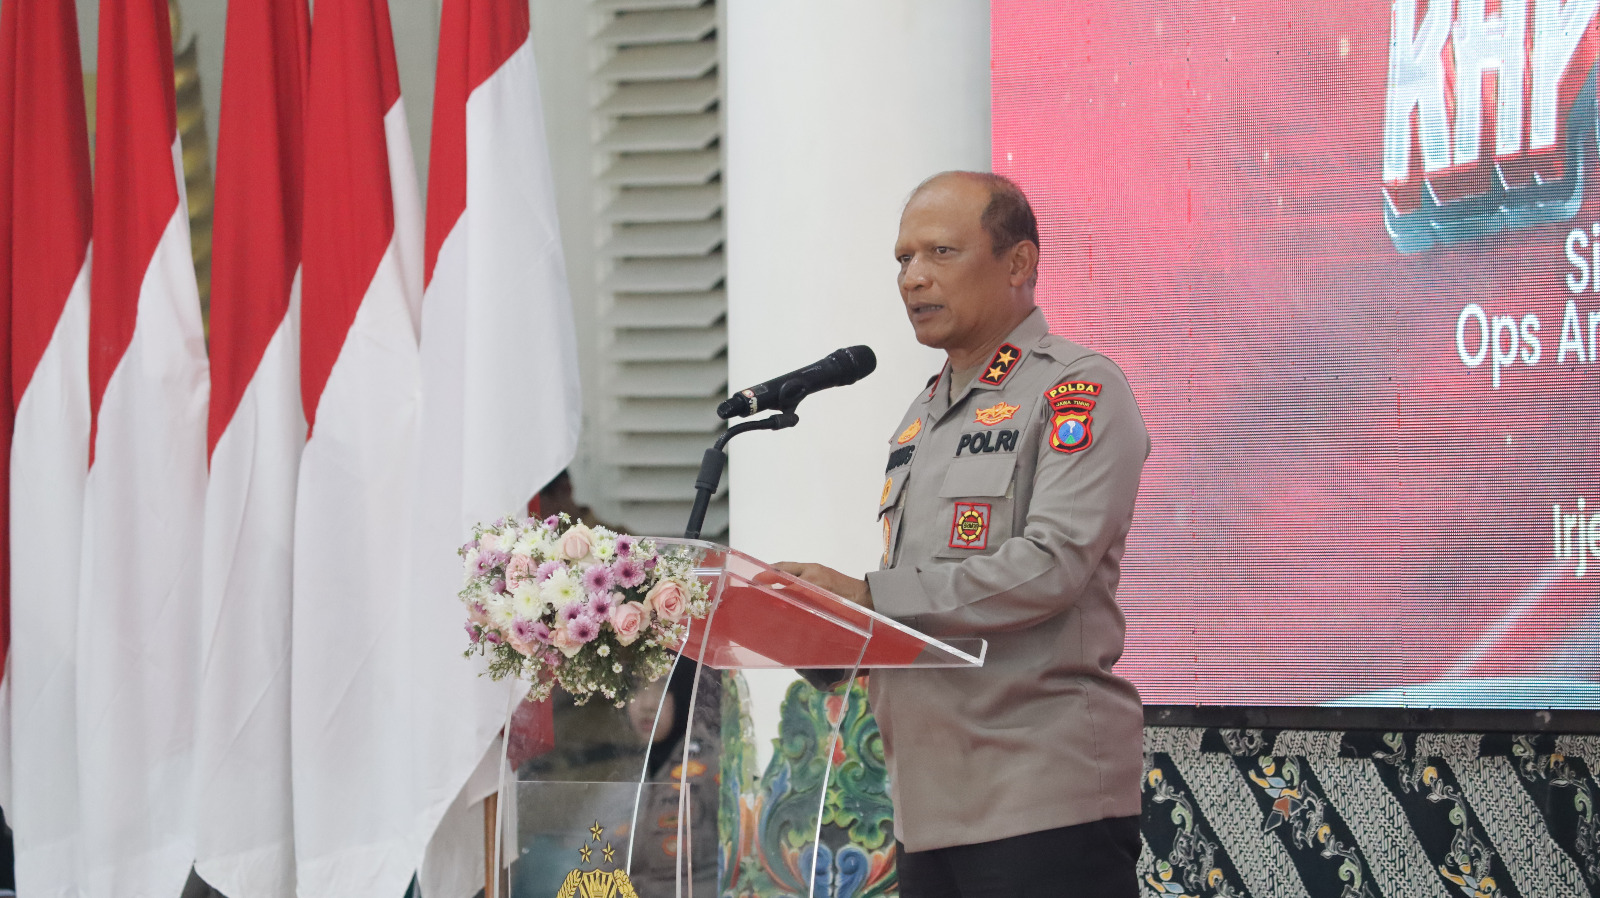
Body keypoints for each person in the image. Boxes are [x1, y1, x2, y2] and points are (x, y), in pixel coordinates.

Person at [775, 171, 1150, 897]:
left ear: (1018, 264)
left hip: (1041, 799)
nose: (914, 278)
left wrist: (869, 598)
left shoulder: (1076, 389)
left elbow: (1051, 566)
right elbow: (930, 603)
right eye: (903, 260)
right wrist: (829, 632)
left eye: (940, 253)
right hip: (928, 805)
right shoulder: (924, 413)